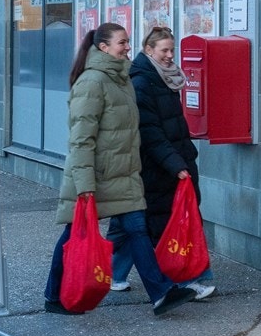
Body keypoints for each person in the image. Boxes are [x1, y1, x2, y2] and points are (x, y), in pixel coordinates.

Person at [41, 23, 196, 317]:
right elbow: (81, 138)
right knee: (74, 236)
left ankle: (161, 293)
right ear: (103, 48)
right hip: (94, 177)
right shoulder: (92, 82)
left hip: (123, 175)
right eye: (122, 42)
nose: (127, 47)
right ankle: (52, 296)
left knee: (138, 229)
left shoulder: (120, 79)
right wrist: (85, 184)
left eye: (127, 42)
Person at [110, 27, 215, 299]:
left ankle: (112, 274)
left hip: (171, 158)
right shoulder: (144, 81)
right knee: (170, 224)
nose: (170, 56)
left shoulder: (164, 78)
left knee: (136, 225)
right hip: (158, 166)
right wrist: (175, 163)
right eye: (164, 50)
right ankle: (192, 278)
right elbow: (150, 130)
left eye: (172, 50)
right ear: (149, 50)